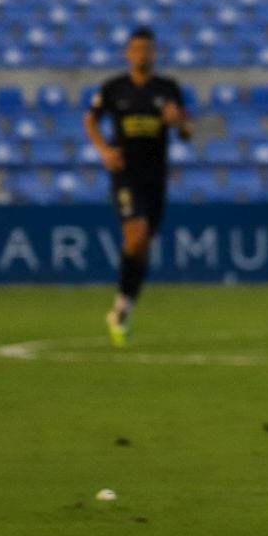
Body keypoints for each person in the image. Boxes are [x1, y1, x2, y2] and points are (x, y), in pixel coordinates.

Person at [83, 27, 188, 347]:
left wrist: (178, 122)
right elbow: (90, 118)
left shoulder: (168, 88)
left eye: (147, 48)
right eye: (136, 48)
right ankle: (123, 306)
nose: (141, 53)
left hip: (155, 177)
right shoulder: (114, 88)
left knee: (142, 245)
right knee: (137, 233)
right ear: (128, 53)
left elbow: (187, 133)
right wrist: (104, 149)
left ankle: (122, 307)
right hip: (125, 174)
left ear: (154, 53)